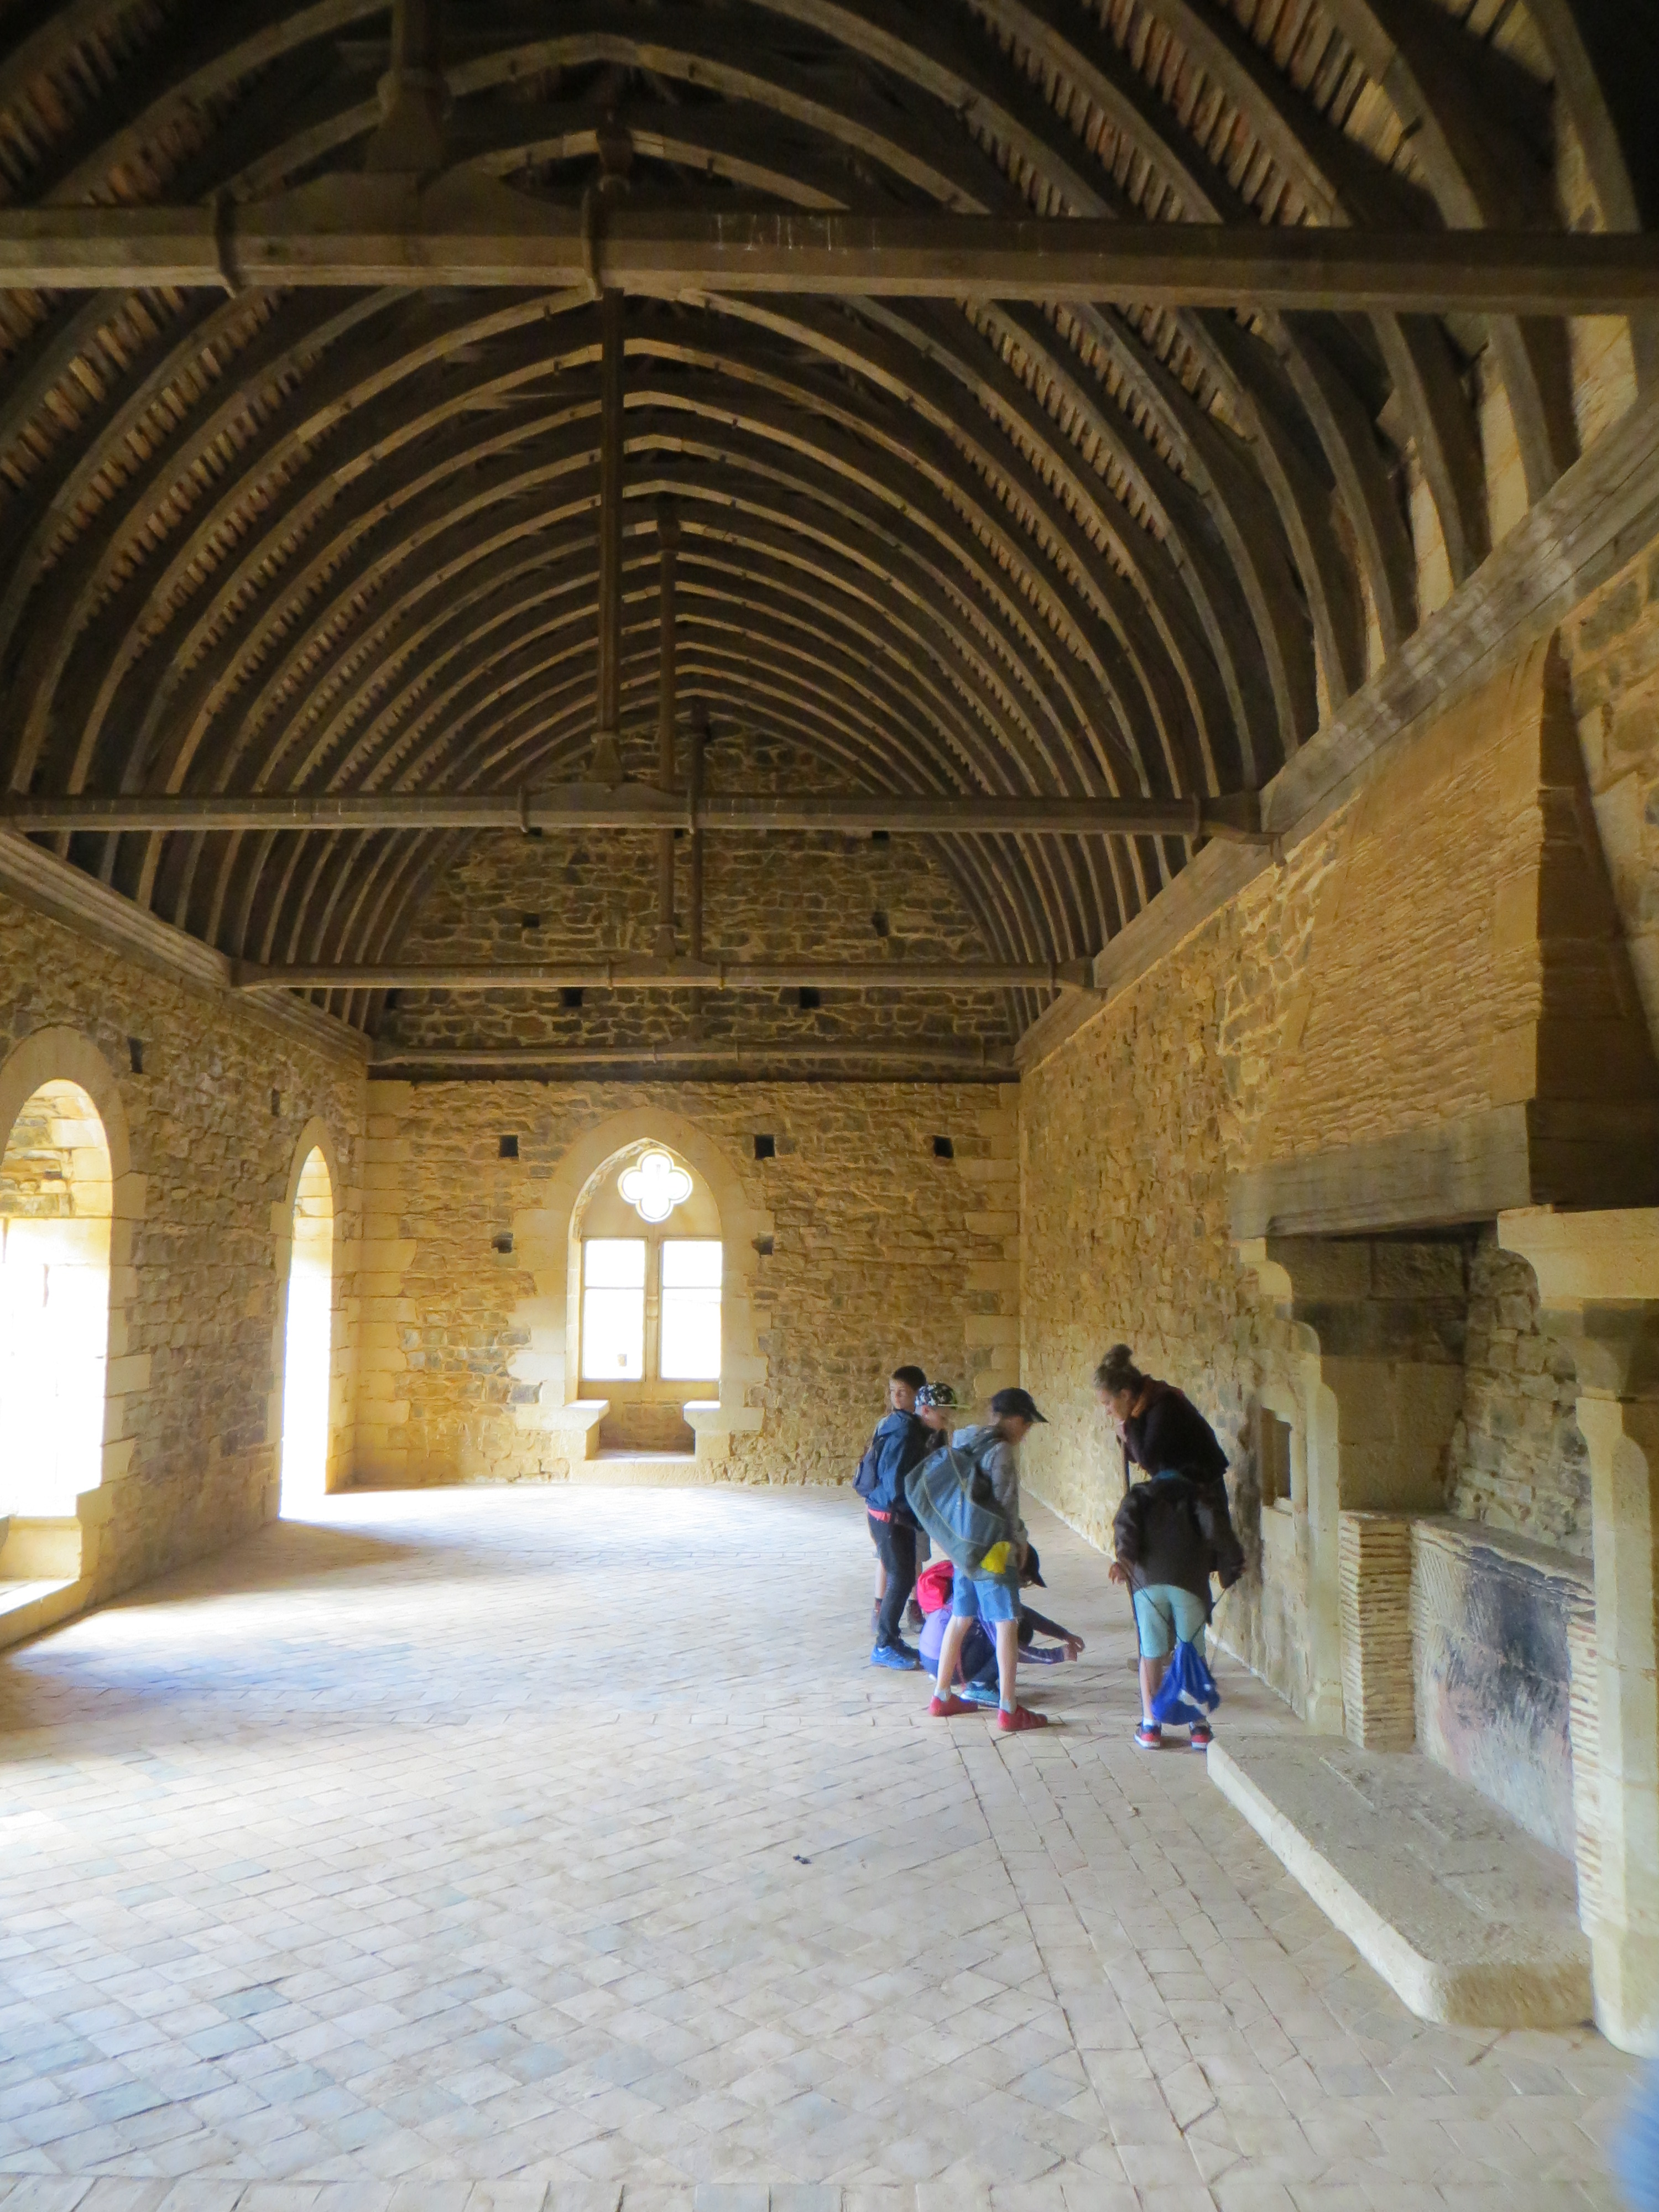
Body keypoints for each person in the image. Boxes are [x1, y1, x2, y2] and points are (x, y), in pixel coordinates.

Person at [926, 1386, 1052, 1734]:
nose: (1026, 1432)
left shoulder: (965, 1439)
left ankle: (941, 1695)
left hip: (964, 1548)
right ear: (1014, 1419)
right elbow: (1007, 1505)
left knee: (961, 1617)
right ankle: (1009, 1709)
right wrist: (1020, 1543)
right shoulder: (1001, 1451)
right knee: (1007, 1622)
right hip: (993, 1551)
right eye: (1026, 1424)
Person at [1109, 1467, 1243, 1749]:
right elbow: (1216, 1529)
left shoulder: (1139, 1495)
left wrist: (1124, 1562)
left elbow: (1127, 1528)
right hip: (1189, 1583)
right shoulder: (1198, 1495)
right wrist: (1233, 1562)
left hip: (1147, 1584)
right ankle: (1199, 1728)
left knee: (1150, 1653)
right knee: (1192, 1651)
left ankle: (1150, 1727)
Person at [917, 1546, 1084, 1708]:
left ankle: (951, 1681)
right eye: (1024, 1581)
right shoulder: (992, 1594)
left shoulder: (986, 1577)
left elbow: (1023, 1613)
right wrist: (1058, 1655)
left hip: (931, 1657)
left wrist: (1063, 1634)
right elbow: (1012, 1649)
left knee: (1019, 1625)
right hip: (946, 1662)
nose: (1022, 1587)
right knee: (1016, 1632)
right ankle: (979, 1686)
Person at [864, 1364, 931, 1669]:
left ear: (918, 1395)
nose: (896, 1398)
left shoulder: (905, 1425)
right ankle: (884, 1645)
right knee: (901, 1578)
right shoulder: (903, 1429)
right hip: (889, 1515)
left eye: (903, 1392)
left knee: (902, 1577)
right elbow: (895, 1481)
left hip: (888, 1513)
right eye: (893, 1392)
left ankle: (891, 1640)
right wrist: (911, 1513)